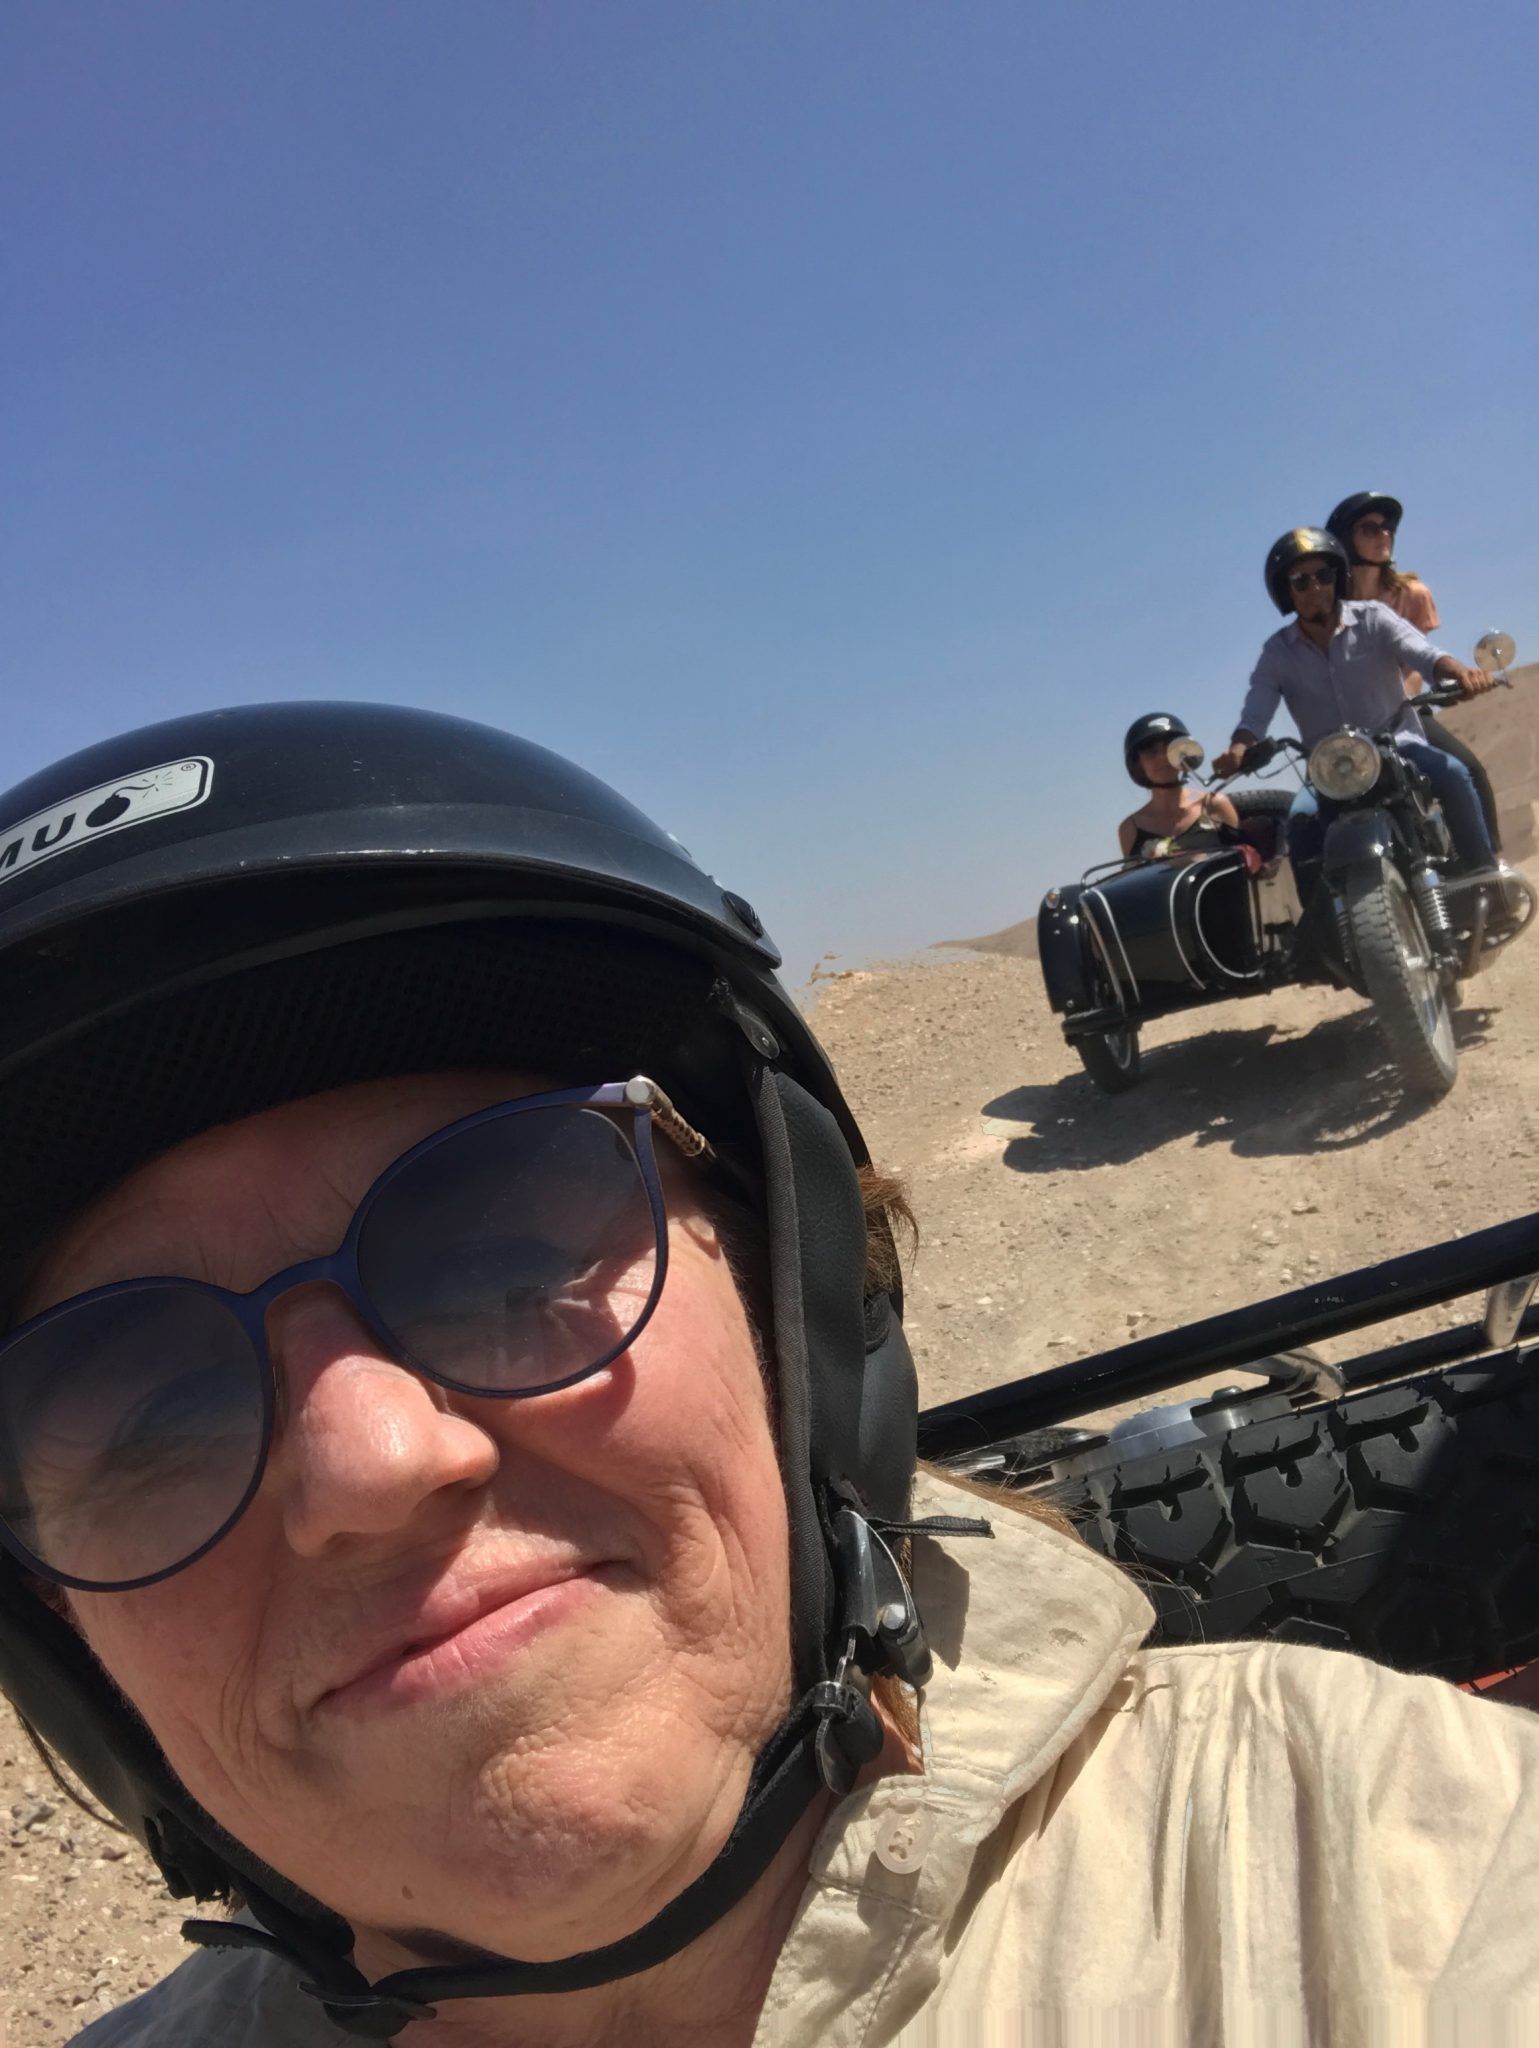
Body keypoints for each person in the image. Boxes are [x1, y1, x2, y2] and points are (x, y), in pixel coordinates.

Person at [3, 701, 1539, 2048]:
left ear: (794, 1308)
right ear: (54, 1641)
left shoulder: (1399, 1874)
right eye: (151, 1415)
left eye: (499, 1255)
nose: (373, 1462)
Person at [1213, 527, 1499, 904]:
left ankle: (1487, 884)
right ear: (1286, 591)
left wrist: (1460, 673)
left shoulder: (1373, 618)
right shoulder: (1277, 652)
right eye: (1301, 581)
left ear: (1339, 578)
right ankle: (1324, 926)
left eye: (1324, 575)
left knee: (1454, 773)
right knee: (1300, 820)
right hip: (1330, 768)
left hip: (1397, 746)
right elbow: (1256, 710)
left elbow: (1424, 654)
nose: (1315, 587)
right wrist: (1239, 748)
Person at [1326, 489, 1504, 854]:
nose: (1384, 535)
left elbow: (1417, 662)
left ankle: (1489, 866)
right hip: (1350, 726)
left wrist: (1402, 702)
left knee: (1468, 770)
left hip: (1405, 711)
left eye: (1388, 528)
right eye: (1370, 528)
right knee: (1318, 808)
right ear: (1344, 539)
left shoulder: (1412, 594)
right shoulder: (1327, 609)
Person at [1117, 712, 1239, 859]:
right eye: (1151, 751)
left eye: (1170, 748)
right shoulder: (1130, 829)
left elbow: (1245, 861)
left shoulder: (1213, 805)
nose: (1162, 757)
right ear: (1138, 764)